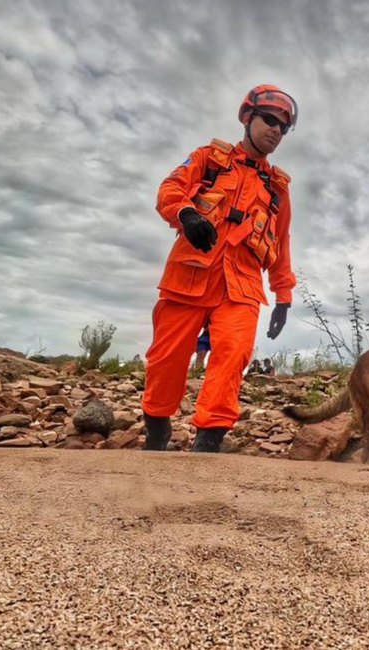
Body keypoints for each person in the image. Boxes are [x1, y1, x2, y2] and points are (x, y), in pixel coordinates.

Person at [142, 84, 298, 453]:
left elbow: (282, 241)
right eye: (269, 120)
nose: (275, 130)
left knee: (233, 355)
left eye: (283, 126)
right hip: (189, 276)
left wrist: (284, 296)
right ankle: (157, 427)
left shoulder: (277, 189)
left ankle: (209, 441)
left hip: (241, 286)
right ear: (247, 118)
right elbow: (169, 190)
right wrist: (187, 214)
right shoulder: (209, 159)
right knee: (166, 360)